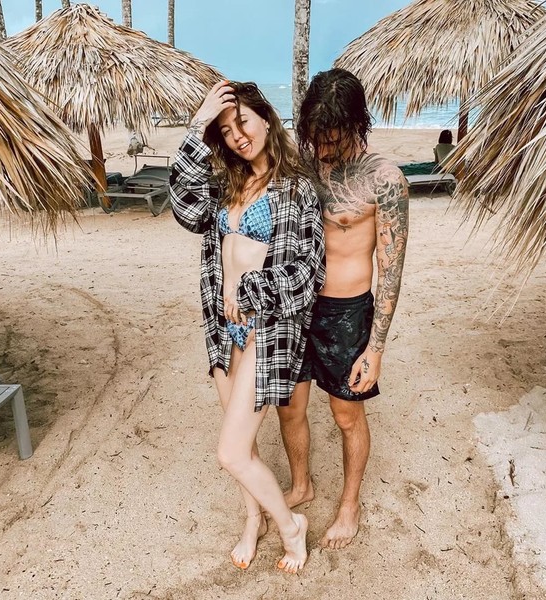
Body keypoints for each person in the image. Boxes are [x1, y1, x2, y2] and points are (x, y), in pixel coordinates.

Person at [169, 80, 326, 573]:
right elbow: (184, 207)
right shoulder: (227, 185)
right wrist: (199, 123)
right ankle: (251, 520)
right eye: (225, 130)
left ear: (266, 119)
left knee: (231, 452)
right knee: (246, 443)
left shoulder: (296, 188)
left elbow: (309, 271)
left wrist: (252, 289)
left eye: (243, 122)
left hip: (267, 330)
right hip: (224, 332)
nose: (237, 136)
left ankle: (291, 527)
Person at [276, 68, 409, 549]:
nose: (323, 148)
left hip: (347, 311)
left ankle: (349, 504)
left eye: (332, 138)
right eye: (316, 137)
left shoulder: (385, 179)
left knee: (346, 415)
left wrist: (376, 349)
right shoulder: (299, 165)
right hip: (295, 306)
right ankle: (302, 484)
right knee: (289, 408)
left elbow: (390, 269)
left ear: (357, 124)